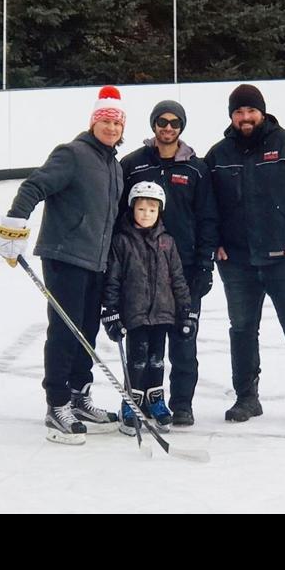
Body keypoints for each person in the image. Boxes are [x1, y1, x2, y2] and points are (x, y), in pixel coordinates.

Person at [0, 85, 127, 444]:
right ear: (93, 122)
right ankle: (57, 404)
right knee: (65, 330)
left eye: (116, 123)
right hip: (66, 255)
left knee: (86, 331)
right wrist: (14, 224)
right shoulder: (73, 154)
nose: (111, 128)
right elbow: (34, 186)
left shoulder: (113, 165)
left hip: (95, 261)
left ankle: (79, 395)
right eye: (105, 121)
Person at [197, 83, 285, 425]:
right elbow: (206, 206)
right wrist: (216, 243)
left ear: (262, 112)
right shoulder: (218, 156)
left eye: (251, 111)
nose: (245, 118)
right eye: (239, 112)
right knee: (241, 329)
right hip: (238, 263)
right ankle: (247, 398)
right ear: (231, 116)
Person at [118, 99, 212, 426]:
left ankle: (181, 404)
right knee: (143, 343)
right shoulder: (134, 164)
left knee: (184, 341)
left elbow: (207, 219)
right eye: (162, 122)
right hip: (140, 272)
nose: (168, 128)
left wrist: (204, 266)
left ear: (181, 127)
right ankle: (138, 400)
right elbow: (118, 215)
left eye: (174, 123)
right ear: (153, 125)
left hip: (182, 272)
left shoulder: (196, 169)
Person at [101, 181, 192, 436]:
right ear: (132, 209)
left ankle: (155, 400)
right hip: (136, 314)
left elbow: (178, 278)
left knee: (157, 360)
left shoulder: (167, 242)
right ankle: (132, 403)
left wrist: (186, 310)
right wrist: (110, 311)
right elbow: (113, 280)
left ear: (160, 212)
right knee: (137, 361)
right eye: (141, 209)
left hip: (162, 313)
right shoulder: (121, 242)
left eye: (152, 210)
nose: (146, 215)